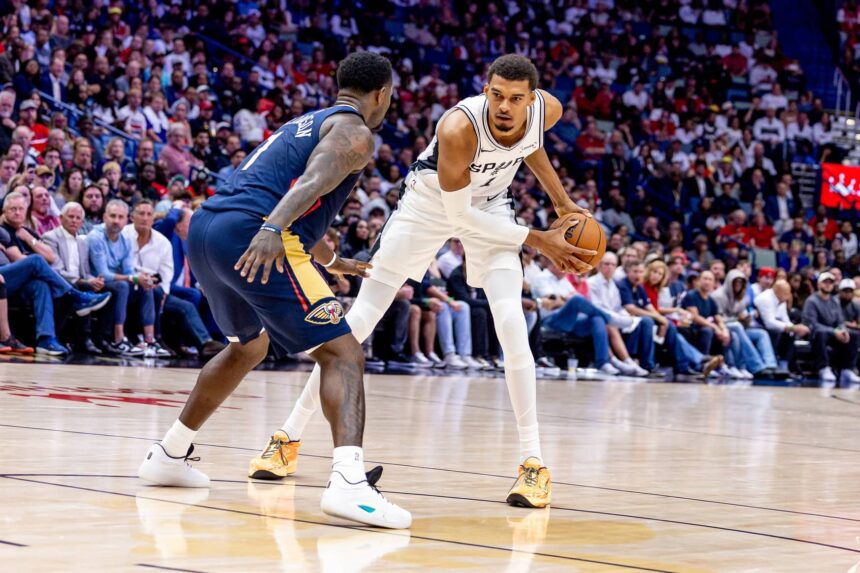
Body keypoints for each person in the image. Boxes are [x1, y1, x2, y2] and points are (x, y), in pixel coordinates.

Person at [265, 55, 593, 510]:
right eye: (496, 95)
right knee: (358, 320)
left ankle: (533, 463)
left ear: (531, 100)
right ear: (485, 89)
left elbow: (529, 144)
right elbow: (461, 218)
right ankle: (287, 438)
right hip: (430, 203)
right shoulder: (459, 127)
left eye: (516, 99)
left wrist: (561, 202)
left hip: (494, 203)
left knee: (512, 326)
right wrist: (540, 240)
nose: (504, 106)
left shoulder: (546, 110)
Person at [137, 52, 413, 529]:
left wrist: (331, 260)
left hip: (208, 229)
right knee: (342, 353)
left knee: (248, 347)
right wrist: (272, 228)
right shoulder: (356, 133)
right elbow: (308, 184)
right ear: (382, 94)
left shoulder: (307, 122)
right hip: (255, 231)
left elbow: (297, 193)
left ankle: (169, 454)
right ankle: (349, 484)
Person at [0, 192, 111, 355]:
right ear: (4, 211)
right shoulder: (3, 230)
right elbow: (21, 260)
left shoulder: (25, 231)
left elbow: (51, 257)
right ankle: (75, 296)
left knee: (41, 284)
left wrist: (29, 239)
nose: (17, 213)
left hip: (14, 283)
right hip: (5, 278)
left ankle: (46, 339)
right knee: (36, 261)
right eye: (12, 209)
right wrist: (33, 254)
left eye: (20, 209)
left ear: (26, 211)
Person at [87, 200, 169, 357]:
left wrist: (142, 279)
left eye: (120, 217)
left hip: (116, 283)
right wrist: (134, 278)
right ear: (104, 217)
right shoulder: (95, 237)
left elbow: (128, 270)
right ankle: (119, 339)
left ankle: (149, 341)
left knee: (148, 287)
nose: (116, 221)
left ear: (126, 220)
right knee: (124, 286)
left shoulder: (125, 240)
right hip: (96, 283)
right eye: (112, 216)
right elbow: (103, 273)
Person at [42, 201, 105, 354]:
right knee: (75, 289)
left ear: (82, 222)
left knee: (110, 290)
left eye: (78, 218)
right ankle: (78, 338)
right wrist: (83, 281)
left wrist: (95, 280)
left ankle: (100, 338)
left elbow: (85, 271)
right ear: (61, 218)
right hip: (58, 281)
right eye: (71, 217)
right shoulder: (50, 237)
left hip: (79, 281)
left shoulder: (83, 242)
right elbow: (56, 269)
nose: (74, 220)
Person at [802, 272, 860, 385]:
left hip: (833, 334)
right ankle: (824, 368)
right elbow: (812, 324)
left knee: (854, 334)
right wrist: (834, 331)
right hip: (816, 335)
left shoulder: (834, 301)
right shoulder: (812, 301)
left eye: (831, 282)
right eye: (825, 282)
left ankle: (847, 369)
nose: (828, 285)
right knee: (821, 333)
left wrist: (843, 330)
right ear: (819, 284)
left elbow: (840, 321)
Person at [755, 279, 809, 370]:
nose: (789, 296)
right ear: (778, 291)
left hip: (772, 326)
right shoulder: (765, 299)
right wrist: (792, 328)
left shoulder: (781, 299)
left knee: (790, 334)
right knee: (781, 332)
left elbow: (785, 320)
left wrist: (794, 329)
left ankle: (784, 365)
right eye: (787, 293)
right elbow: (769, 323)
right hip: (759, 325)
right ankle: (774, 364)